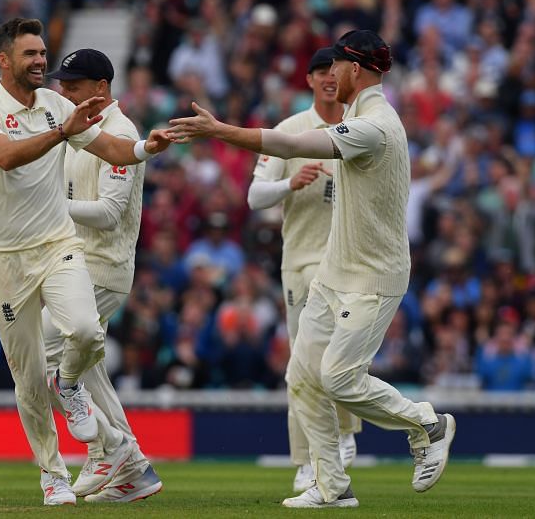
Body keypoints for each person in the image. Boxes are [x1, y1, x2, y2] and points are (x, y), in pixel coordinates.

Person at [168, 29, 456, 509]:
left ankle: (427, 423)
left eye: (336, 67)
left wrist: (219, 131)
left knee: (340, 378)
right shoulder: (361, 115)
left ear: (356, 70)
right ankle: (331, 483)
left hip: (374, 276)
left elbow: (287, 145)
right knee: (302, 376)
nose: (328, 76)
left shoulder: (375, 126)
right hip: (334, 271)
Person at [0, 18, 169, 506]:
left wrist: (145, 148)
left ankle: (81, 403)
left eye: (41, 52)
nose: (39, 61)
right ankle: (54, 473)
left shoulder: (57, 107)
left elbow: (109, 146)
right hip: (3, 257)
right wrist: (62, 134)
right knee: (29, 374)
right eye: (29, 54)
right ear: (4, 60)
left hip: (58, 245)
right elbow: (7, 157)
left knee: (83, 332)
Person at [41, 48, 163, 503]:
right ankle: (132, 469)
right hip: (76, 262)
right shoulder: (84, 129)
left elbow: (110, 214)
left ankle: (112, 449)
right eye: (62, 85)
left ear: (101, 88)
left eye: (73, 86)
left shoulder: (120, 132)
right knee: (89, 373)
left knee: (42, 356)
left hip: (103, 268)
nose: (64, 93)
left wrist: (51, 209)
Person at [246, 47, 362, 494]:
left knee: (342, 354)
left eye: (335, 70)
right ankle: (307, 460)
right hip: (303, 261)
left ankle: (343, 435)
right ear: (310, 79)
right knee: (303, 362)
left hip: (352, 262)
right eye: (320, 71)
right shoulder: (290, 131)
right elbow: (255, 197)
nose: (328, 78)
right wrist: (289, 183)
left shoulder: (360, 127)